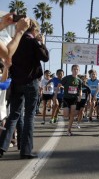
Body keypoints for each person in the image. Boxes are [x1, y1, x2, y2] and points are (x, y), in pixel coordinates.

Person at [0, 19, 49, 159]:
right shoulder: (33, 41)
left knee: (14, 115)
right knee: (29, 116)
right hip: (30, 82)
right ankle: (26, 150)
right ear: (34, 30)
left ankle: (1, 146)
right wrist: (41, 42)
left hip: (16, 82)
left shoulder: (14, 41)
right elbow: (45, 57)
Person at [58, 65, 82, 136]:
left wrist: (80, 96)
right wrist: (59, 89)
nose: (76, 71)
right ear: (71, 70)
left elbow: (80, 90)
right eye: (74, 69)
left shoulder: (79, 80)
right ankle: (69, 116)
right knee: (65, 114)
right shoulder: (67, 78)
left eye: (77, 69)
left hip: (74, 98)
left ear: (79, 71)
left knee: (72, 114)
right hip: (66, 98)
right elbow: (60, 84)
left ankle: (69, 130)